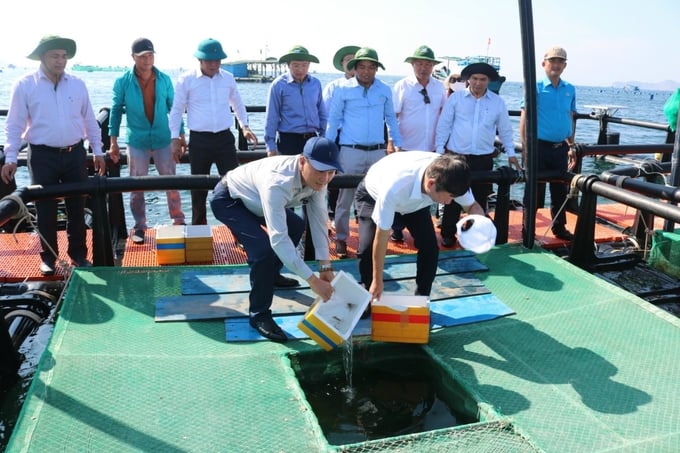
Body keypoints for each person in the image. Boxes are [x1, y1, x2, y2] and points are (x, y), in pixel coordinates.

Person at [210, 137, 342, 342]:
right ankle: (259, 314)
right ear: (302, 162)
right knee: (262, 250)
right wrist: (312, 280)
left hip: (256, 201)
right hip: (230, 199)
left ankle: (271, 276)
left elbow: (318, 221)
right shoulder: (277, 181)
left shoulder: (320, 180)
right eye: (320, 170)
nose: (325, 178)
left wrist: (325, 267)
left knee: (297, 226)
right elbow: (278, 239)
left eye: (331, 172)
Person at [1, 35, 106, 275]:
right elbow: (14, 125)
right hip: (42, 155)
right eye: (55, 56)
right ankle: (48, 257)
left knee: (77, 207)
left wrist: (97, 150)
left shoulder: (78, 84)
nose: (61, 61)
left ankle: (78, 254)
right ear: (42, 57)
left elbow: (89, 120)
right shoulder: (25, 85)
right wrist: (10, 158)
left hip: (74, 153)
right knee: (45, 210)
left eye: (64, 56)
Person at [355, 152, 484, 301]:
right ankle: (369, 293)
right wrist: (377, 280)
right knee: (366, 249)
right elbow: (382, 236)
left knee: (430, 247)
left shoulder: (451, 176)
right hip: (373, 195)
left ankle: (422, 299)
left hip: (415, 205)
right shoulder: (394, 187)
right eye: (449, 197)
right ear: (431, 183)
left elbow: (472, 206)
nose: (450, 202)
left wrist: (480, 225)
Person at [169, 38, 257, 225]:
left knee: (235, 185)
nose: (214, 64)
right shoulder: (187, 79)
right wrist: (174, 138)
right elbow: (176, 110)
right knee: (198, 189)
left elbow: (237, 103)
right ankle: (198, 229)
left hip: (224, 139)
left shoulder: (228, 78)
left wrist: (245, 126)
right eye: (209, 60)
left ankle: (239, 230)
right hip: (200, 140)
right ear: (200, 60)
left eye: (217, 60)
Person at [326, 47, 402, 258]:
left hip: (378, 152)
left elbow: (391, 119)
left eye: (371, 67)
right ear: (354, 68)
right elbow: (333, 120)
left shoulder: (385, 90)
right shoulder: (342, 89)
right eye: (361, 67)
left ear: (377, 69)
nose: (366, 71)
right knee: (345, 197)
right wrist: (329, 147)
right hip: (350, 150)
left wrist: (398, 144)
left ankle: (374, 239)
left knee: (379, 196)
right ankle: (341, 239)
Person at [109, 38, 186, 244]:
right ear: (133, 57)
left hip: (163, 138)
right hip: (136, 141)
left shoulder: (164, 79)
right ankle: (140, 226)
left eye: (150, 55)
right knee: (136, 186)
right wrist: (113, 141)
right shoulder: (122, 82)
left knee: (171, 182)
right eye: (142, 56)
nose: (147, 60)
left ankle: (178, 221)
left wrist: (180, 135)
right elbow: (115, 111)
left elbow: (174, 108)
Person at [435, 62, 520, 248]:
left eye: (482, 79)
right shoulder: (456, 99)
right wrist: (439, 151)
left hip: (483, 159)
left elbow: (505, 130)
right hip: (457, 157)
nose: (478, 83)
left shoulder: (498, 103)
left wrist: (511, 154)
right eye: (474, 78)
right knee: (452, 198)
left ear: (488, 81)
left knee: (480, 198)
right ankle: (448, 233)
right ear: (468, 80)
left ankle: (474, 234)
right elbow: (444, 125)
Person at [389, 45, 447, 242]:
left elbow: (444, 116)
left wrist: (442, 145)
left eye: (428, 64)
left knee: (426, 191)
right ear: (412, 65)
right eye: (420, 63)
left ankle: (419, 229)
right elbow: (393, 116)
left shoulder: (440, 88)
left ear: (433, 66)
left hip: (430, 149)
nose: (423, 67)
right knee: (400, 188)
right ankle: (396, 227)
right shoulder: (401, 86)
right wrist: (391, 142)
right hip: (405, 147)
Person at [519, 46, 577, 241]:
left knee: (559, 190)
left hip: (560, 147)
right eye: (552, 61)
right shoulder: (534, 87)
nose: (556, 64)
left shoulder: (570, 89)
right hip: (539, 147)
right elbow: (524, 118)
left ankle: (559, 228)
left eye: (560, 61)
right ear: (544, 64)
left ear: (565, 65)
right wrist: (526, 148)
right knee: (534, 191)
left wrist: (571, 145)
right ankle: (528, 230)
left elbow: (570, 116)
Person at [265, 45, 326, 156]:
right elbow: (272, 116)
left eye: (304, 65)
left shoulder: (315, 83)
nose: (300, 69)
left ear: (309, 65)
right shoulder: (278, 85)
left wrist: (324, 137)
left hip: (312, 139)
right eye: (296, 65)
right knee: (289, 173)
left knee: (314, 172)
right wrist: (270, 146)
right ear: (288, 65)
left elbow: (322, 112)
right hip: (288, 139)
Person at [323, 45, 359, 223]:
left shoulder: (369, 87)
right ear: (342, 64)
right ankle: (332, 215)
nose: (351, 64)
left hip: (359, 138)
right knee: (335, 177)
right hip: (338, 136)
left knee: (361, 177)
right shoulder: (333, 87)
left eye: (354, 59)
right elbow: (325, 113)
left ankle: (360, 215)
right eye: (347, 60)